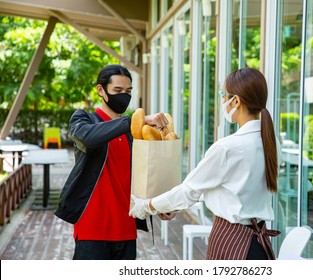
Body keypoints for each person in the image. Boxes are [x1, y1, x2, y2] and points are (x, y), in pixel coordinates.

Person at [130, 67, 281, 260]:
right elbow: (231, 189)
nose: (222, 101)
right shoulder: (272, 143)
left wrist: (146, 206)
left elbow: (189, 191)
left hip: (232, 243)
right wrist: (172, 206)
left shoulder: (228, 147)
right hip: (260, 245)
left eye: (223, 95)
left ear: (236, 101)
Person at [54, 64, 171, 260]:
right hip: (92, 229)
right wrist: (133, 121)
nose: (123, 96)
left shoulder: (134, 133)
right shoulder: (84, 119)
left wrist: (159, 204)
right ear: (101, 90)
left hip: (126, 228)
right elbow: (88, 138)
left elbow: (142, 174)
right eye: (117, 90)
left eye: (128, 91)